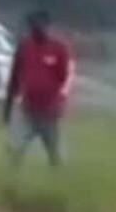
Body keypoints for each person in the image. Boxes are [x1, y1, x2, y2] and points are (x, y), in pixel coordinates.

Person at [4, 10, 73, 167]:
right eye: (32, 27)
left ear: (48, 26)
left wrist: (61, 102)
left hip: (51, 111)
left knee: (55, 152)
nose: (36, 30)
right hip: (28, 108)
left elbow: (67, 78)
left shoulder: (60, 48)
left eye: (39, 26)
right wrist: (8, 107)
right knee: (15, 147)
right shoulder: (24, 46)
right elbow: (14, 77)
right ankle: (11, 181)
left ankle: (57, 182)